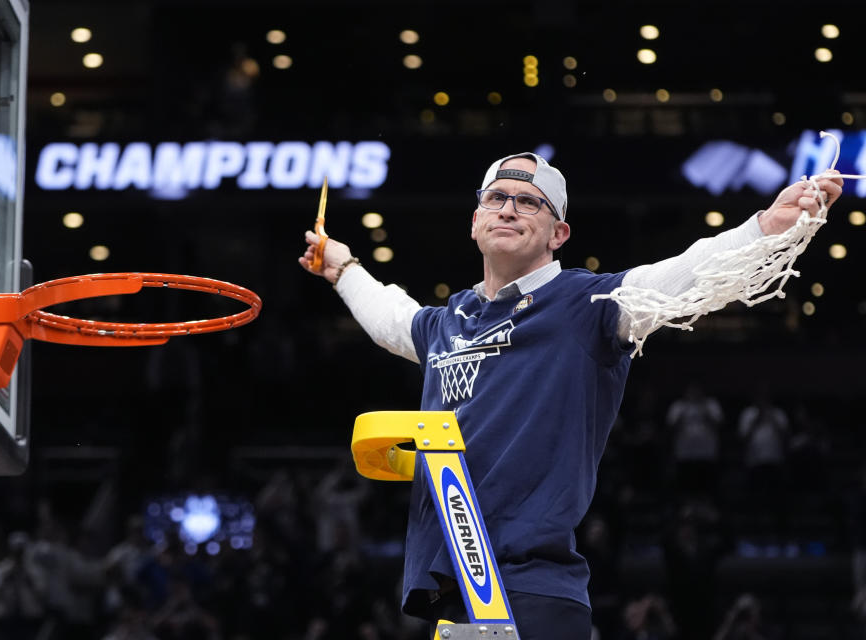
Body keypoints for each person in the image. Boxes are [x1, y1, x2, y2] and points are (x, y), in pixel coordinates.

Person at [298, 152, 843, 639]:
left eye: (528, 203)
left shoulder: (586, 304)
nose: (508, 209)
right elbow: (393, 320)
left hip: (530, 587)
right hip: (459, 589)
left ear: (558, 233)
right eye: (496, 198)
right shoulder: (449, 322)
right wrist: (341, 268)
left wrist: (765, 229)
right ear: (475, 222)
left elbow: (685, 276)